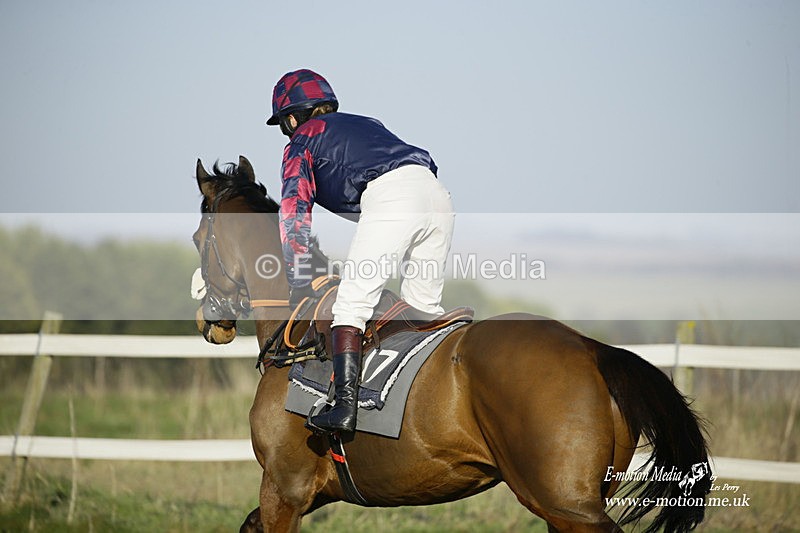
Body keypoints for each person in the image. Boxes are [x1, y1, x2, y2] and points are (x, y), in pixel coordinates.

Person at [266, 69, 454, 433]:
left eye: (284, 125)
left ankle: (345, 409)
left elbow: (294, 211)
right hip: (436, 193)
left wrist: (298, 273)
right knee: (423, 311)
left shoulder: (302, 139)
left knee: (350, 305)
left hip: (393, 197)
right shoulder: (366, 122)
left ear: (292, 118)